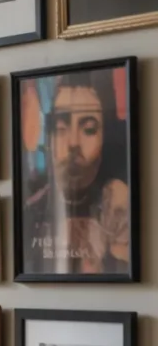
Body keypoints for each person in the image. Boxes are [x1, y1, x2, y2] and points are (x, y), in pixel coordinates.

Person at [23, 70, 129, 275]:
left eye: (88, 129)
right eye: (61, 128)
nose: (73, 143)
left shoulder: (119, 207)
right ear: (49, 140)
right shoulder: (32, 210)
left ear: (105, 138)